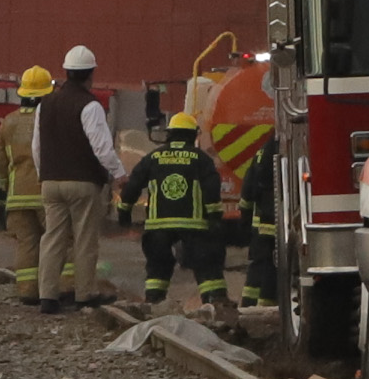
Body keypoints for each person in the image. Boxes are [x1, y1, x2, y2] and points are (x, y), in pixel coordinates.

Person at [31, 46, 124, 315]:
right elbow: (102, 148)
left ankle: (47, 297)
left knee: (52, 238)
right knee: (84, 239)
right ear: (90, 74)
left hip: (50, 182)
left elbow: (36, 146)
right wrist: (119, 173)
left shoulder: (44, 104)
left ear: (67, 72)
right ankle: (85, 294)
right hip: (83, 182)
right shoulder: (90, 105)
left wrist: (43, 173)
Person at [120, 111, 229, 313]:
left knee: (158, 266)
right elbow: (211, 189)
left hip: (158, 226)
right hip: (195, 226)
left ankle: (153, 303)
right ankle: (215, 304)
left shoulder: (152, 158)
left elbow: (132, 186)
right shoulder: (201, 159)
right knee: (206, 265)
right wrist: (214, 218)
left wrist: (124, 212)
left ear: (170, 134)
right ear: (192, 135)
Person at [0, 69, 51, 304]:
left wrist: (6, 185)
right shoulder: (50, 119)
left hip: (17, 195)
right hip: (46, 193)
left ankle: (28, 291)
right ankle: (62, 287)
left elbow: (0, 163)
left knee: (27, 243)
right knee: (58, 240)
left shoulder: (8, 122)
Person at [239, 130, 281, 311]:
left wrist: (246, 215)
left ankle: (248, 305)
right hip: (277, 220)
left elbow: (249, 185)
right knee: (273, 264)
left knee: (258, 264)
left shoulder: (261, 153)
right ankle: (267, 305)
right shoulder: (280, 150)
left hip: (263, 220)